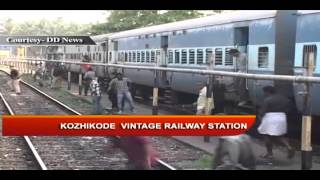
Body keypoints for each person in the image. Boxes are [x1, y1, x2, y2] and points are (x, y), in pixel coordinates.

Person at [257, 86, 295, 160]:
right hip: (282, 117)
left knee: (265, 135)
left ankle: (269, 153)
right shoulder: (285, 99)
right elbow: (290, 108)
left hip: (270, 118)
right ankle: (289, 147)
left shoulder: (268, 100)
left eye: (264, 92)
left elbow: (262, 112)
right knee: (279, 135)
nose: (264, 94)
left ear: (268, 92)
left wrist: (260, 117)